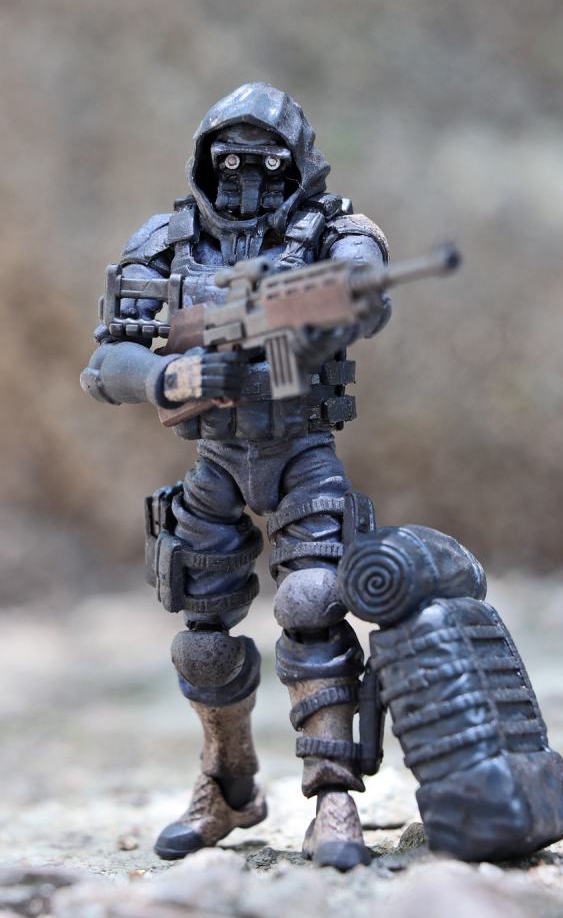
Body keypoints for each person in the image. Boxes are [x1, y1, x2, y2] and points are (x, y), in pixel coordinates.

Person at [81, 83, 391, 870]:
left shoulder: (335, 231)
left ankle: (333, 797)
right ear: (203, 160)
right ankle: (226, 784)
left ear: (298, 164)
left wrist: (322, 304)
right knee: (202, 638)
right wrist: (170, 377)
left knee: (314, 603)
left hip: (301, 449)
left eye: (265, 161)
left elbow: (365, 295)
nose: (245, 175)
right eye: (229, 159)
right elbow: (104, 363)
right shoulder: (168, 242)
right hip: (217, 457)